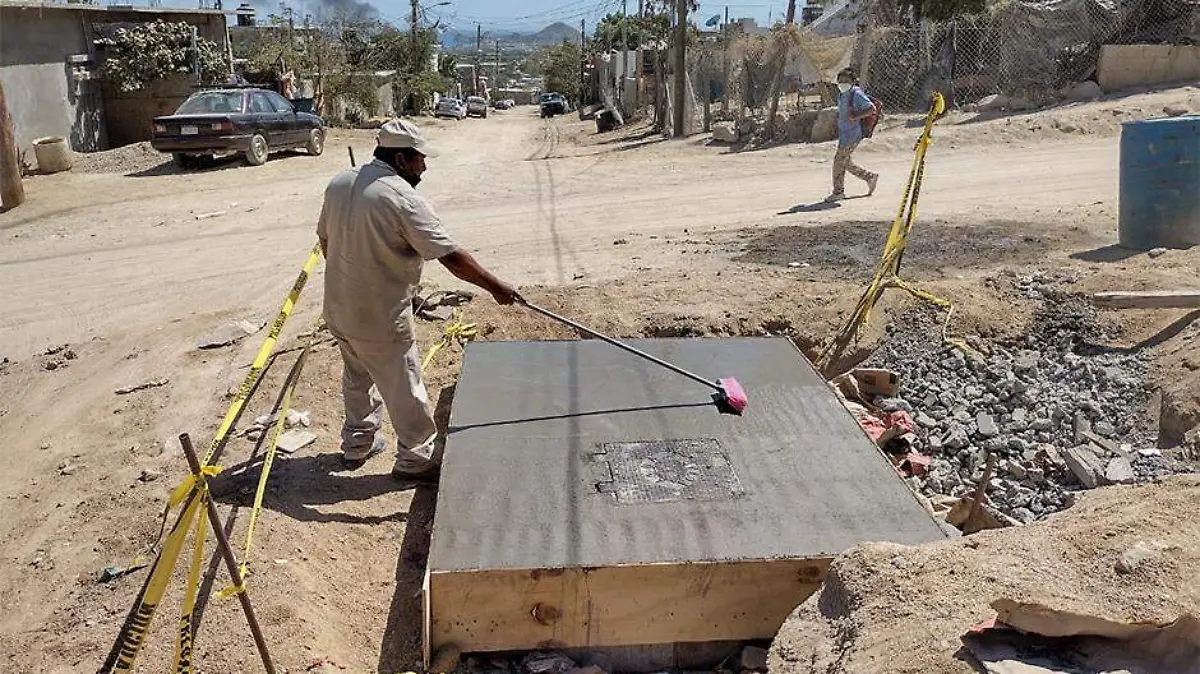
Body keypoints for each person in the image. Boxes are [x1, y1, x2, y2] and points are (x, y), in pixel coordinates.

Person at [316, 119, 521, 485]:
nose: (424, 167)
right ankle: (416, 459)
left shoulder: (339, 183)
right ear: (401, 158)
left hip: (339, 309)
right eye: (419, 159)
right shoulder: (402, 198)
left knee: (358, 375)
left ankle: (358, 444)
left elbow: (326, 242)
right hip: (380, 317)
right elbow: (450, 256)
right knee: (403, 387)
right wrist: (496, 287)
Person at [825, 67, 879, 203]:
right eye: (840, 80)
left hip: (853, 134)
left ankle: (838, 192)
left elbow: (871, 109)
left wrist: (855, 117)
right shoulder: (843, 94)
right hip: (845, 134)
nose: (842, 83)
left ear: (853, 82)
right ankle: (869, 177)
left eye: (846, 81)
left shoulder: (856, 94)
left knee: (839, 162)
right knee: (845, 162)